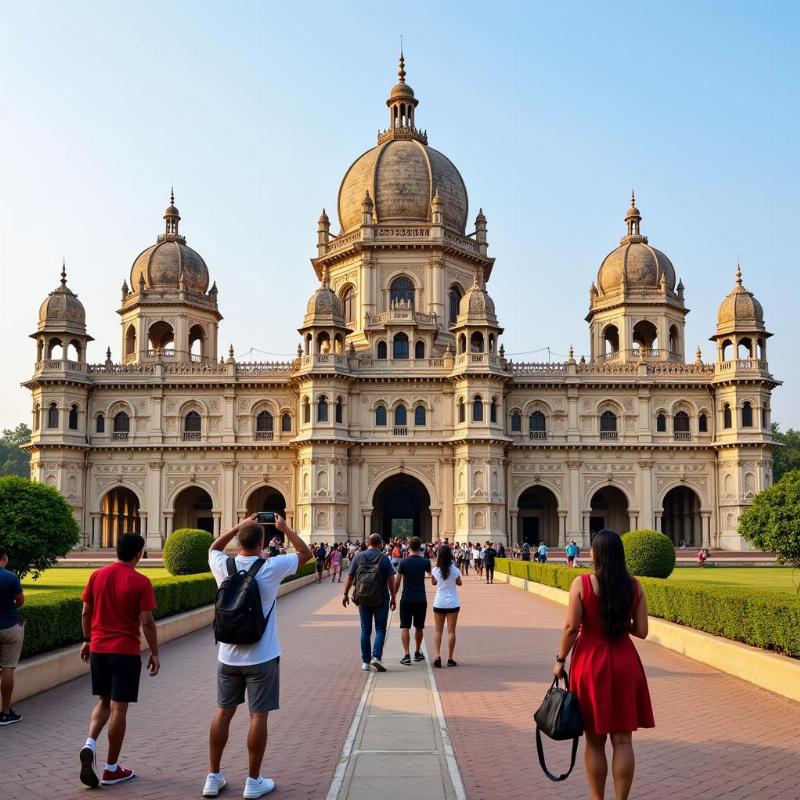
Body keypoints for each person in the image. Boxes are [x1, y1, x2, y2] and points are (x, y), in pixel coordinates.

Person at [204, 513, 312, 799]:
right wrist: (285, 527)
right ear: (263, 542)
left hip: (227, 656)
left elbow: (213, 548)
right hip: (262, 656)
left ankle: (212, 778)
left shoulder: (222, 565)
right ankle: (253, 781)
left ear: (240, 538)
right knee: (257, 716)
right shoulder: (271, 566)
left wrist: (237, 527)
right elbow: (306, 553)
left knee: (223, 713)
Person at [554, 529, 654, 800]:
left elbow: (571, 628)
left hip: (590, 662)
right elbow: (642, 630)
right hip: (624, 660)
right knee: (623, 740)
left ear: (595, 554)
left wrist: (560, 660)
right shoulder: (634, 586)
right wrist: (619, 623)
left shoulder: (582, 584)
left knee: (595, 741)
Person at [78, 533, 160, 788]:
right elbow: (147, 622)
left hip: (99, 649)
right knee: (119, 709)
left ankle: (89, 744)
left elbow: (85, 611)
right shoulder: (140, 581)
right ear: (139, 555)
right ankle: (111, 768)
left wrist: (88, 639)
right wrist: (155, 652)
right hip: (125, 651)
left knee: (103, 701)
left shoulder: (97, 576)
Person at [342, 533, 397, 672]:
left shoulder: (358, 557)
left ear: (367, 543)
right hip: (381, 598)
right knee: (380, 629)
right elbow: (391, 579)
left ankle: (365, 662)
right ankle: (376, 657)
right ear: (380, 545)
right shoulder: (384, 558)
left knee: (365, 629)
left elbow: (350, 578)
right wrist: (393, 597)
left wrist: (345, 594)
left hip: (362, 597)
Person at [395, 536, 432, 665]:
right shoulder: (425, 562)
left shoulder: (403, 562)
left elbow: (397, 581)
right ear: (420, 548)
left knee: (405, 627)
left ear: (409, 547)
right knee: (419, 627)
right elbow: (432, 579)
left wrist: (393, 597)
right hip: (421, 598)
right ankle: (417, 652)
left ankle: (406, 655)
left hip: (406, 598)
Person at [0, 545, 25, 726]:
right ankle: (6, 711)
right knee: (7, 668)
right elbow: (20, 601)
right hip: (9, 626)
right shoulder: (10, 577)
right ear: (3, 558)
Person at [430, 545, 462, 668]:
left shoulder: (435, 570)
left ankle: (438, 656)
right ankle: (450, 658)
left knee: (438, 631)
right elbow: (459, 583)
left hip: (439, 602)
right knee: (451, 631)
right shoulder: (455, 570)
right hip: (453, 603)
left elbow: (433, 582)